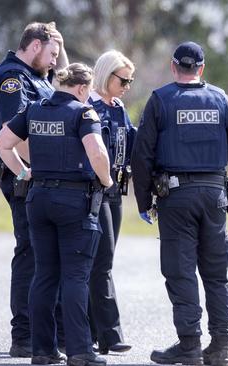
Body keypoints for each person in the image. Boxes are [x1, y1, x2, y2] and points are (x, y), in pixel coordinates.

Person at [131, 41, 228, 366]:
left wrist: (143, 202)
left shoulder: (160, 100)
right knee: (216, 272)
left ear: (173, 67)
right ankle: (220, 345)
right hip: (214, 195)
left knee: (180, 270)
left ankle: (189, 345)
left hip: (176, 197)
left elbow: (141, 155)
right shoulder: (221, 99)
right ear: (202, 68)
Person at [0, 63, 112, 366]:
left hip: (38, 199)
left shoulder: (34, 109)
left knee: (44, 275)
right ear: (83, 88)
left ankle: (42, 350)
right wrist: (108, 181)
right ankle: (80, 351)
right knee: (75, 276)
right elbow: (97, 152)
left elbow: (2, 143)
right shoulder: (83, 113)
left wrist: (23, 173)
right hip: (74, 201)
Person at [0, 21, 68, 358]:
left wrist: (60, 50)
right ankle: (23, 336)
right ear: (34, 46)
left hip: (45, 177)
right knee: (30, 253)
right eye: (51, 53)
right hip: (24, 177)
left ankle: (53, 333)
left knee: (50, 254)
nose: (54, 61)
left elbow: (69, 85)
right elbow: (14, 131)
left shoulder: (40, 76)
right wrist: (32, 170)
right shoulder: (12, 78)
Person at [86, 50, 135, 355]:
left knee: (103, 262)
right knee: (101, 263)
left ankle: (90, 332)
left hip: (116, 191)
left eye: (131, 81)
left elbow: (131, 141)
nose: (128, 86)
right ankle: (110, 335)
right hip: (94, 191)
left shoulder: (118, 108)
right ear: (107, 75)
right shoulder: (87, 106)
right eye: (124, 80)